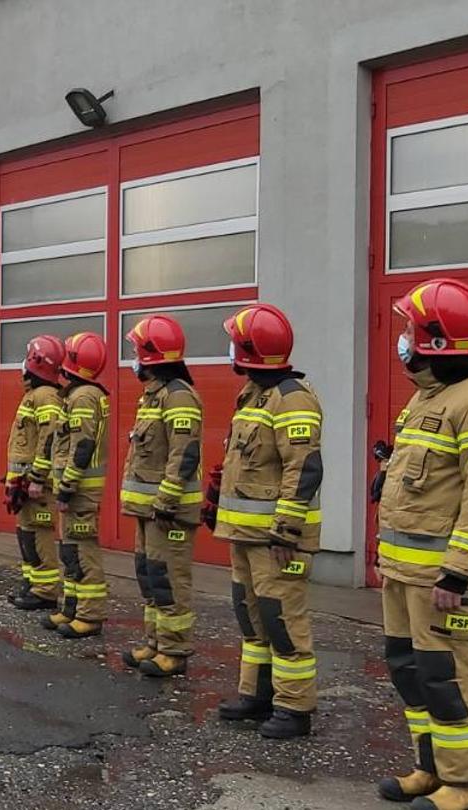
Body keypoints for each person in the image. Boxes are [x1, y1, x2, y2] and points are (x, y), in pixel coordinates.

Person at [375, 278, 468, 810]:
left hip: (442, 579)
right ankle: (430, 767)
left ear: (434, 340)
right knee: (409, 669)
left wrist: (457, 570)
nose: (403, 337)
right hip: (404, 570)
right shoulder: (427, 398)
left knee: (449, 674)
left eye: (410, 328)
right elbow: (429, 480)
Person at [212, 304, 323, 739]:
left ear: (251, 350)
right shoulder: (254, 394)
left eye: (236, 343)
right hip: (245, 533)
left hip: (277, 540)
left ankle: (294, 708)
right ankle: (256, 694)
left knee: (283, 620)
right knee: (251, 615)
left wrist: (286, 530)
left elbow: (304, 468)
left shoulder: (293, 398)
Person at [118, 314, 204, 678]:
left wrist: (166, 502)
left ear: (150, 356)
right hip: (148, 511)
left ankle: (174, 650)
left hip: (166, 513)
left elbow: (183, 455)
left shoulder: (179, 396)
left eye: (136, 351)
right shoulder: (152, 397)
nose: (133, 358)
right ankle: (154, 642)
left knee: (169, 580)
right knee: (150, 575)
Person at [44, 331, 112, 640]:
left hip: (80, 491)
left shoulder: (84, 396)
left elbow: (81, 445)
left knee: (84, 553)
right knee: (70, 552)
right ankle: (71, 608)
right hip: (73, 490)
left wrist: (68, 484)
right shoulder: (77, 394)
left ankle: (89, 614)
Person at [4, 335, 66, 611]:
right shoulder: (34, 395)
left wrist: (38, 478)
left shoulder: (45, 396)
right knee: (26, 534)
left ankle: (45, 591)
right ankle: (32, 584)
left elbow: (49, 439)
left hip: (36, 485)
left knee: (39, 536)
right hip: (25, 483)